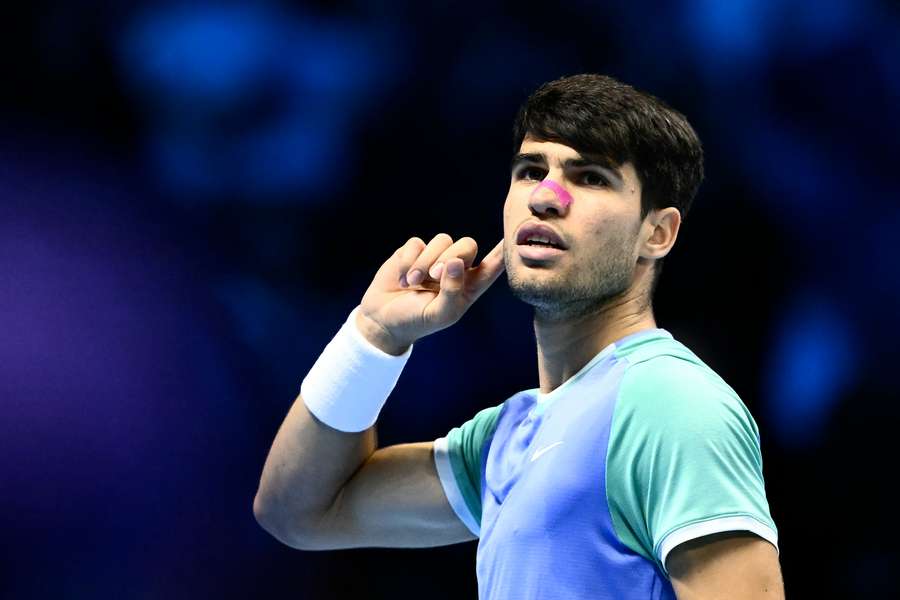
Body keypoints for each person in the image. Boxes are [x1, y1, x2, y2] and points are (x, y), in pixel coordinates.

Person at [253, 74, 784, 599]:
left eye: (591, 177)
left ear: (657, 232)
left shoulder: (670, 403)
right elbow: (298, 512)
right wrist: (372, 338)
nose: (546, 197)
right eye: (531, 171)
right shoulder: (506, 436)